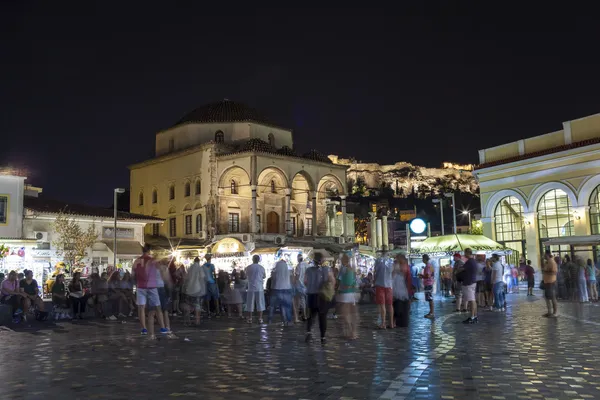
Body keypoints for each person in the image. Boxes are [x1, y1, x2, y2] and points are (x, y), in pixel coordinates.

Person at [132, 245, 168, 338]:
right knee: (157, 307)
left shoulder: (136, 261)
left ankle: (143, 328)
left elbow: (133, 274)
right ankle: (163, 327)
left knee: (141, 308)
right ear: (150, 251)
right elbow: (161, 271)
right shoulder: (152, 260)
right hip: (152, 286)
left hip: (140, 286)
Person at [304, 252, 335, 344]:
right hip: (322, 296)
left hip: (311, 295)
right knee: (322, 317)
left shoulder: (308, 270)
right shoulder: (326, 269)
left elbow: (305, 282)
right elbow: (332, 281)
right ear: (322, 260)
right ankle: (323, 337)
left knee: (311, 316)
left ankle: (309, 332)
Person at [336, 253, 359, 339]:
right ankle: (354, 332)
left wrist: (336, 290)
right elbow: (355, 280)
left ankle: (350, 331)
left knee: (344, 313)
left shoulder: (343, 269)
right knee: (353, 313)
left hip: (345, 292)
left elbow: (339, 280)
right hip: (353, 293)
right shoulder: (352, 269)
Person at [268, 258, 292, 325]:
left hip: (276, 289)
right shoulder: (289, 271)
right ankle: (287, 321)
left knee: (272, 306)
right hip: (287, 289)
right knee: (285, 306)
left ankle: (270, 320)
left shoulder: (274, 272)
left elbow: (273, 280)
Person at [184, 257, 207, 326]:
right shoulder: (200, 268)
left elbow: (187, 278)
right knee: (197, 305)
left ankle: (188, 321)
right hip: (197, 289)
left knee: (189, 305)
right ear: (199, 261)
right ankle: (197, 321)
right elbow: (202, 277)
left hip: (189, 289)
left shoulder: (190, 268)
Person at [374, 252, 394, 328]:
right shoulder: (391, 261)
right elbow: (393, 272)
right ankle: (391, 324)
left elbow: (375, 271)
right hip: (389, 285)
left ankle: (383, 324)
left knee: (382, 305)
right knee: (390, 305)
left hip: (380, 285)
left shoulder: (378, 261)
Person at [393, 254, 413, 328]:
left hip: (403, 288)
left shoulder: (403, 265)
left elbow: (403, 274)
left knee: (399, 306)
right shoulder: (402, 265)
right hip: (401, 288)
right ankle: (397, 321)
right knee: (398, 305)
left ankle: (397, 321)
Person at [245, 255, 266, 324]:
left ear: (252, 259)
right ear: (259, 260)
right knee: (260, 303)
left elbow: (246, 276)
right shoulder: (262, 268)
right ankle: (260, 318)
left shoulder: (248, 268)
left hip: (251, 288)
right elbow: (264, 276)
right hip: (259, 287)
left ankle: (250, 318)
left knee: (250, 303)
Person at [461, 248, 478, 324]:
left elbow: (462, 269)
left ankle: (472, 317)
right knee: (472, 299)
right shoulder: (474, 261)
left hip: (469, 282)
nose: (464, 255)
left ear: (468, 253)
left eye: (465, 253)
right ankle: (474, 316)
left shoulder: (469, 262)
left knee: (471, 300)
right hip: (472, 281)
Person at [542, 251, 558, 317]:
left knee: (552, 297)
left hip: (551, 282)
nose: (543, 256)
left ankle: (555, 313)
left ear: (547, 255)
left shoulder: (552, 262)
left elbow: (554, 272)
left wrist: (545, 271)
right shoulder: (547, 262)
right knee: (547, 297)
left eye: (544, 255)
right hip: (547, 282)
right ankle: (549, 312)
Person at [419, 254, 435, 319]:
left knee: (430, 298)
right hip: (430, 283)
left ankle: (432, 313)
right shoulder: (430, 265)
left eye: (422, 258)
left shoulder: (428, 266)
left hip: (428, 284)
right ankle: (431, 312)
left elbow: (428, 276)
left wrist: (421, 276)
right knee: (430, 298)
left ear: (425, 259)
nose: (422, 260)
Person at [294, 255, 309, 321]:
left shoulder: (298, 266)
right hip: (306, 286)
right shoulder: (307, 265)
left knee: (300, 301)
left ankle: (303, 315)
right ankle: (305, 315)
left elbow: (297, 276)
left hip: (300, 285)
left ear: (298, 259)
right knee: (305, 301)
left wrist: (293, 283)